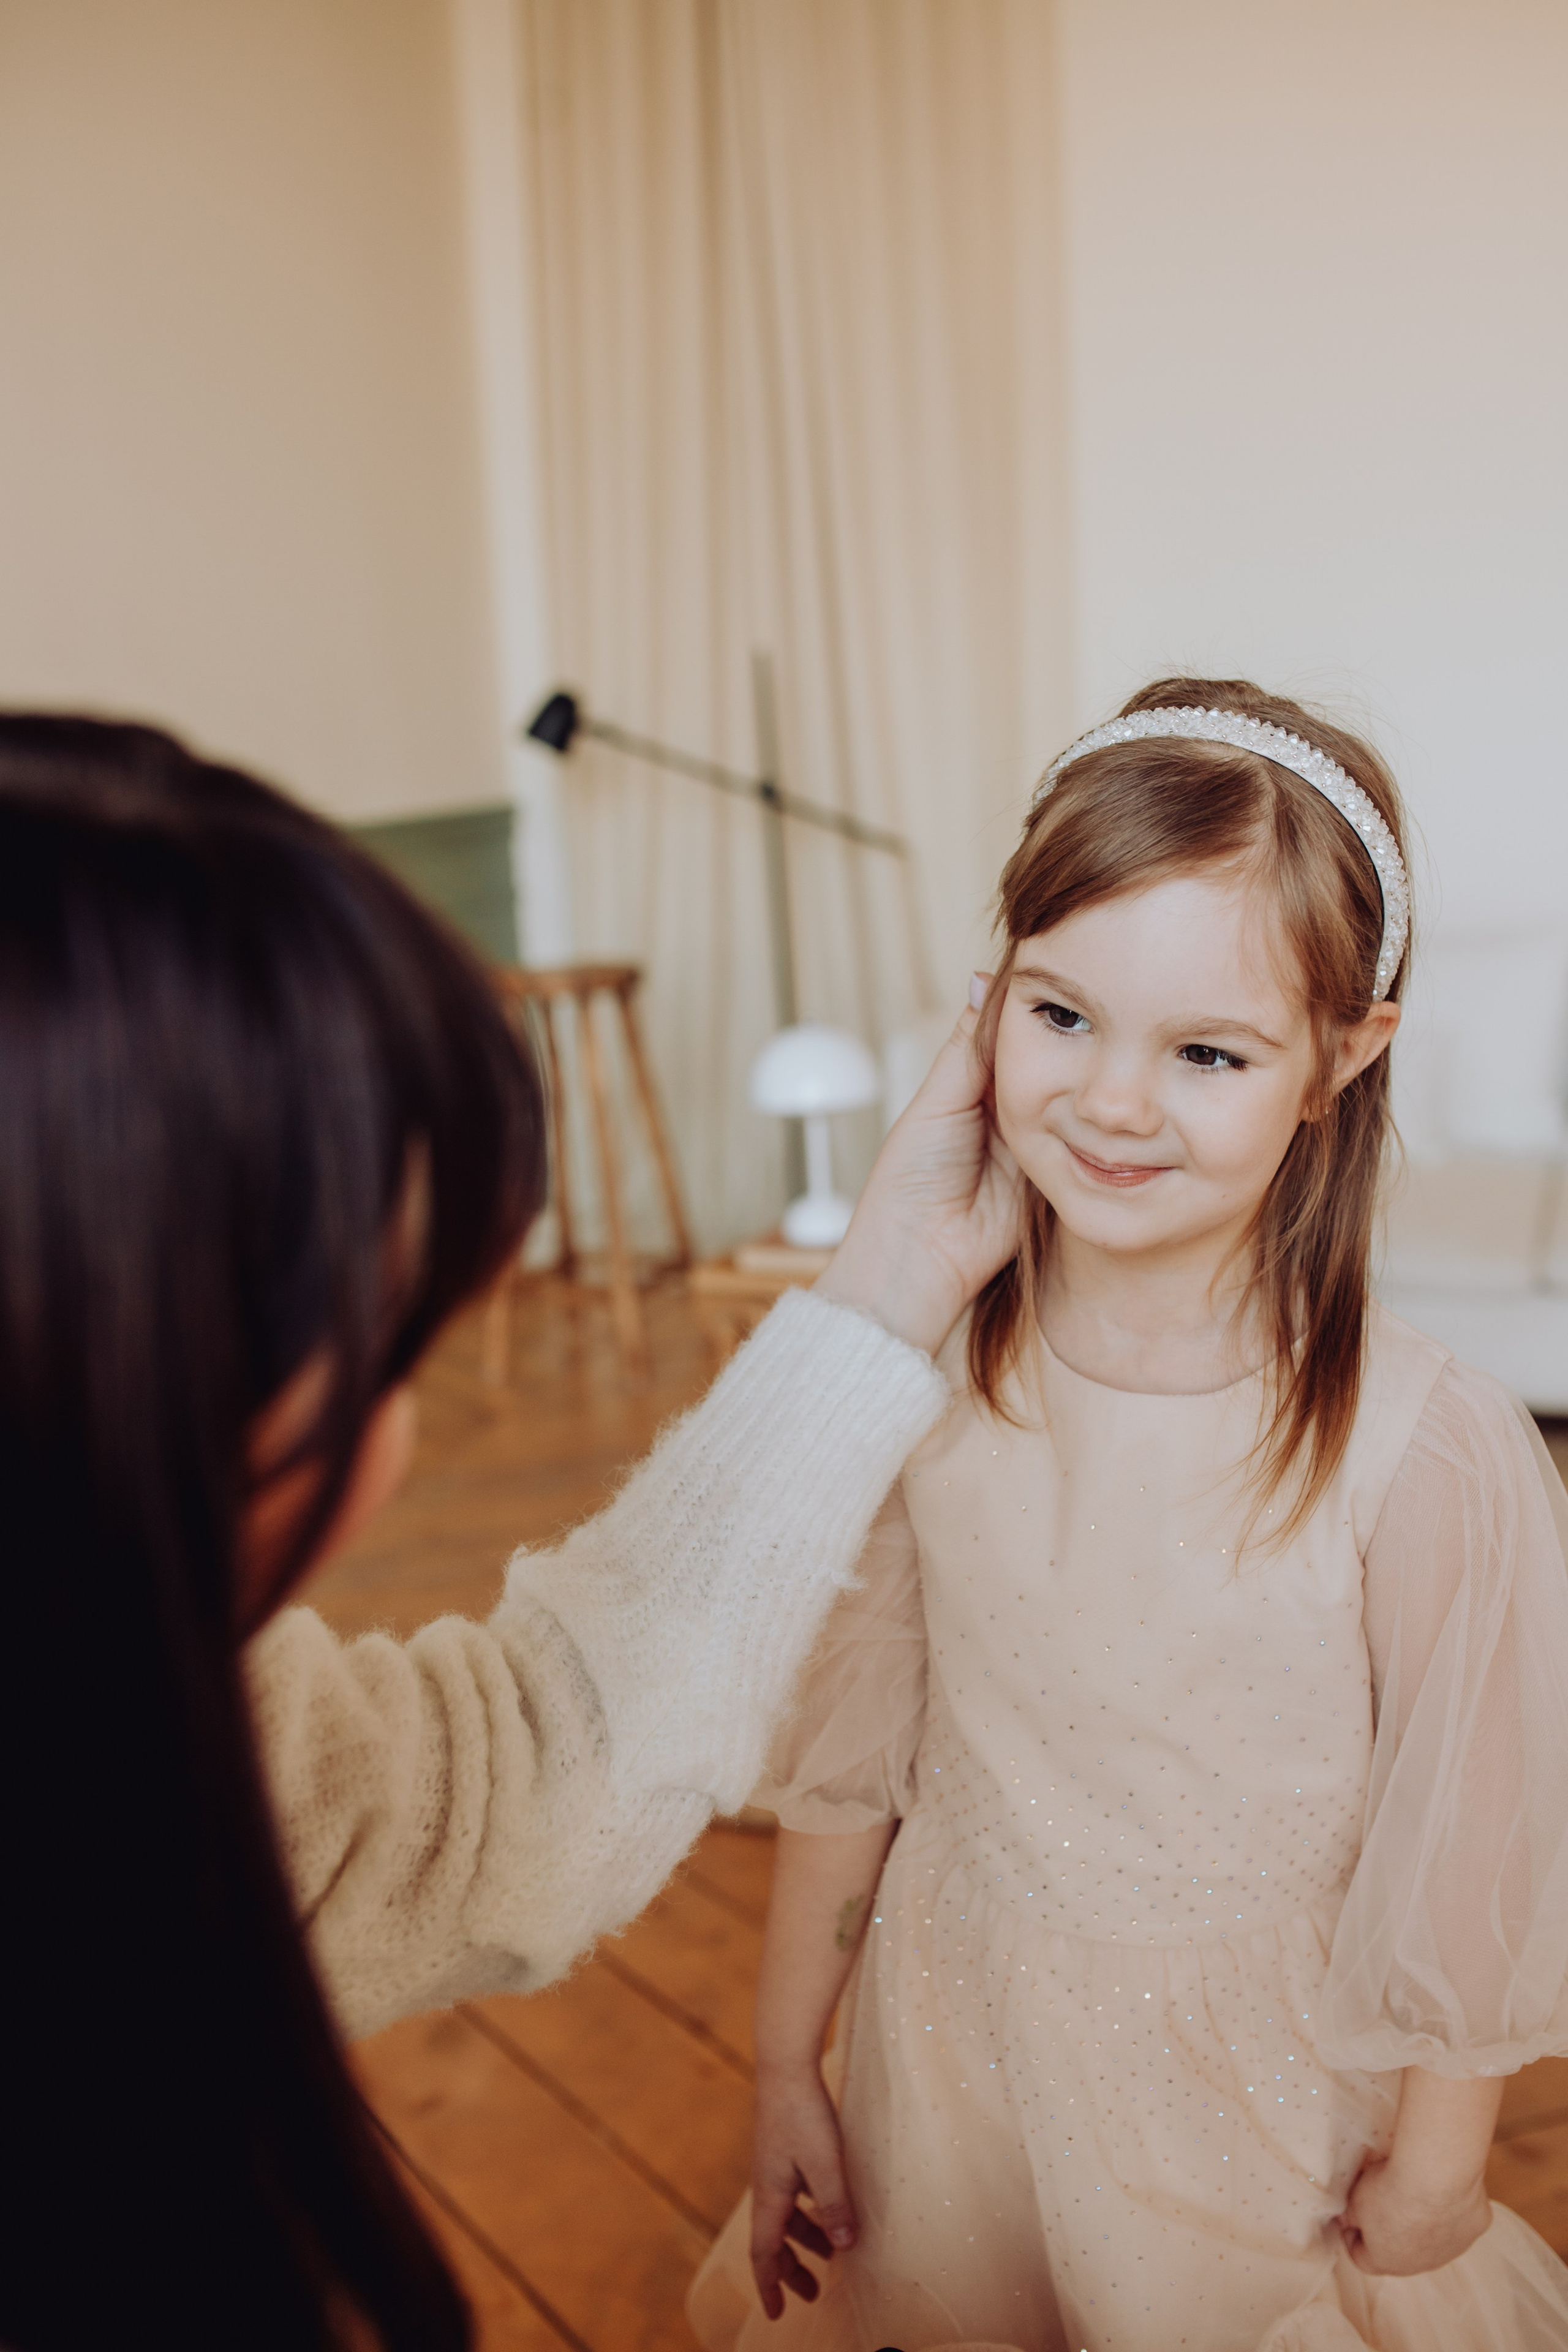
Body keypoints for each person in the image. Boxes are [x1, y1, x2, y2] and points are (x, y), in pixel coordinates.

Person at [0, 715, 1023, 2352]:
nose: (400, 1443)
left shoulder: (192, 1724)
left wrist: (887, 1283)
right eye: (379, 1344)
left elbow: (505, 1785)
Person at [689, 679, 1568, 2352]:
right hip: (946, 2051)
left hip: (1253, 2104)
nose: (1109, 1100)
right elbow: (850, 1760)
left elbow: (1478, 1838)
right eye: (1061, 1016)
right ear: (988, 1001)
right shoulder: (926, 1360)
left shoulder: (1423, 1443)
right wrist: (785, 2062)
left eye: (1208, 1053)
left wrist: (1446, 2159)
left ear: (1339, 1062)